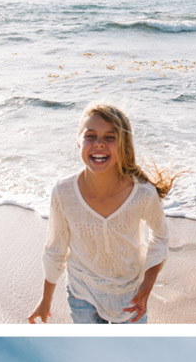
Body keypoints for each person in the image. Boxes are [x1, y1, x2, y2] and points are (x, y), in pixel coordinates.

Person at [30, 101, 171, 326]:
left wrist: (146, 287)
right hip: (81, 292)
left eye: (109, 137)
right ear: (78, 141)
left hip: (130, 296)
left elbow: (160, 237)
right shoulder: (63, 192)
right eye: (91, 136)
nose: (99, 144)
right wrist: (46, 299)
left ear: (123, 145)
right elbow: (56, 248)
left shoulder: (142, 193)